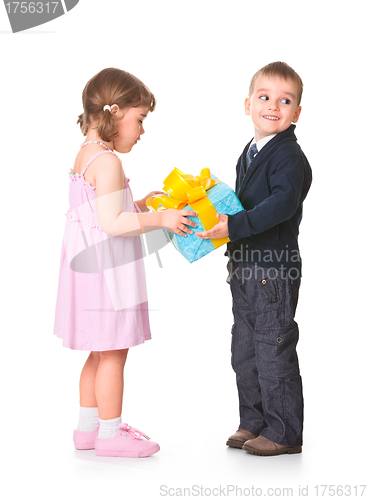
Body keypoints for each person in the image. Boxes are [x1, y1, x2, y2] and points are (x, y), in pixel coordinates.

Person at [53, 68, 197, 458]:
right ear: (116, 113)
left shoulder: (86, 155)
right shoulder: (110, 162)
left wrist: (141, 204)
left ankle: (87, 430)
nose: (142, 130)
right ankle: (110, 434)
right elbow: (112, 223)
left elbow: (101, 211)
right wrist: (160, 219)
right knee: (114, 352)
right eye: (140, 119)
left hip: (89, 274)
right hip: (106, 278)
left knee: (98, 354)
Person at [196, 62, 312, 456]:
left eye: (285, 100)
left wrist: (235, 225)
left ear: (297, 113)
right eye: (264, 97)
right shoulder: (250, 152)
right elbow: (244, 205)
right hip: (245, 269)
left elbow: (281, 205)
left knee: (272, 347)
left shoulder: (288, 156)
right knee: (244, 349)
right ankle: (254, 422)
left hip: (272, 271)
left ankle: (283, 432)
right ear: (248, 104)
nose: (273, 107)